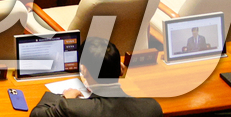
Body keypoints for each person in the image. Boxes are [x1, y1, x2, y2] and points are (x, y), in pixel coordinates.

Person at [29, 38, 160, 116]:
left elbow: (37, 114)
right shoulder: (152, 108)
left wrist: (65, 98)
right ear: (121, 69)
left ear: (84, 70)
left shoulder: (71, 108)